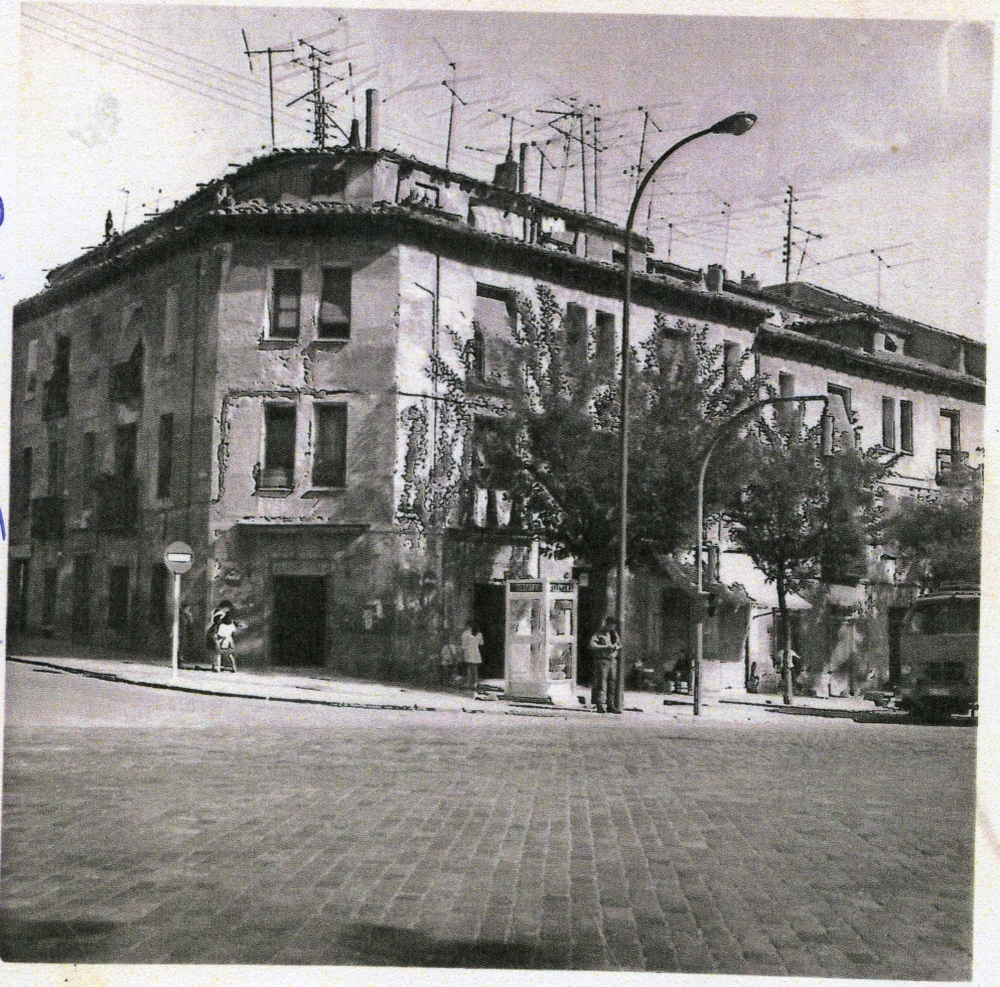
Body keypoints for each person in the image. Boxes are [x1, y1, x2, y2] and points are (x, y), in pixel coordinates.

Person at [589, 616, 621, 714]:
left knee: (612, 683)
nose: (612, 628)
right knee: (601, 683)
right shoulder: (599, 633)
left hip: (612, 660)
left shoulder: (614, 634)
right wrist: (605, 646)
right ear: (606, 624)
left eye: (613, 626)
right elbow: (592, 645)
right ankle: (599, 704)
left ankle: (610, 704)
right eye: (610, 625)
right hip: (602, 660)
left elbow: (619, 644)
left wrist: (616, 646)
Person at [208, 602, 238, 673]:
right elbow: (233, 632)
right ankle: (234, 667)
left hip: (221, 640)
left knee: (218, 654)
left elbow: (219, 633)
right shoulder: (232, 625)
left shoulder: (221, 625)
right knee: (230, 655)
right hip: (229, 641)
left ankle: (217, 667)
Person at [461, 624, 484, 691]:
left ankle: (469, 683)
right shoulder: (479, 635)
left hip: (469, 652)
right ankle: (475, 683)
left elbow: (464, 644)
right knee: (474, 668)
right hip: (475, 652)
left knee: (469, 668)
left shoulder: (466, 634)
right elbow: (481, 643)